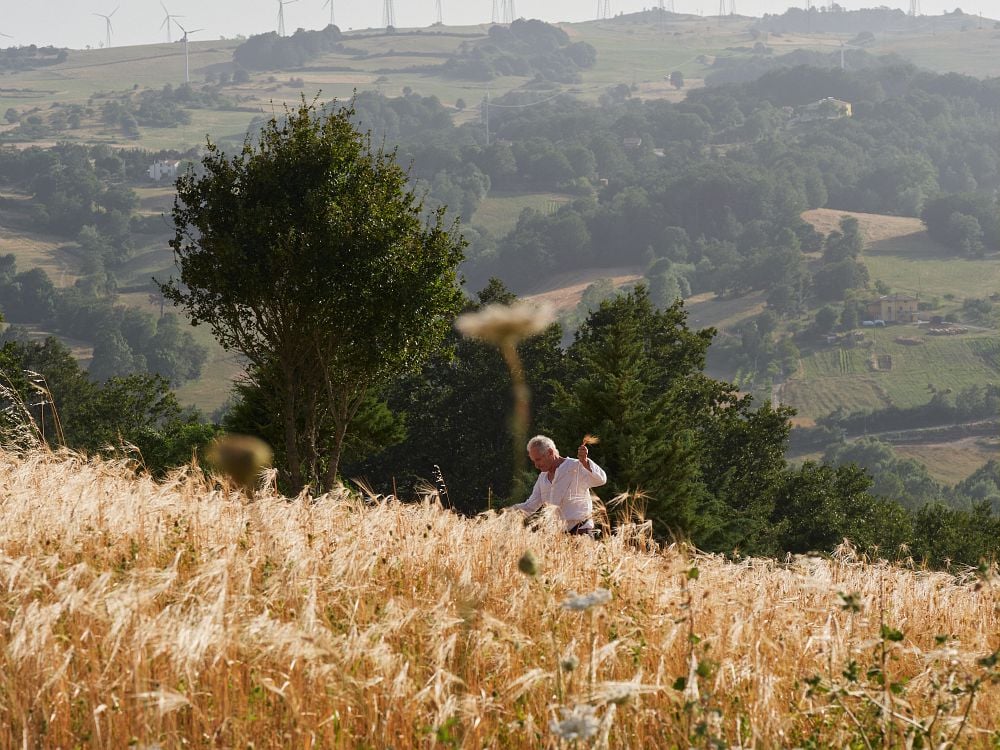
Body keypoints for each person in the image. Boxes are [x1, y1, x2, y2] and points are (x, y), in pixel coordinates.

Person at [510, 435, 607, 535]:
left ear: (550, 452)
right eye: (534, 461)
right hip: (557, 539)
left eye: (538, 459)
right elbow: (530, 505)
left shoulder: (576, 466)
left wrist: (585, 462)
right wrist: (506, 513)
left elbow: (601, 479)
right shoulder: (542, 478)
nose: (536, 465)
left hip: (581, 534)